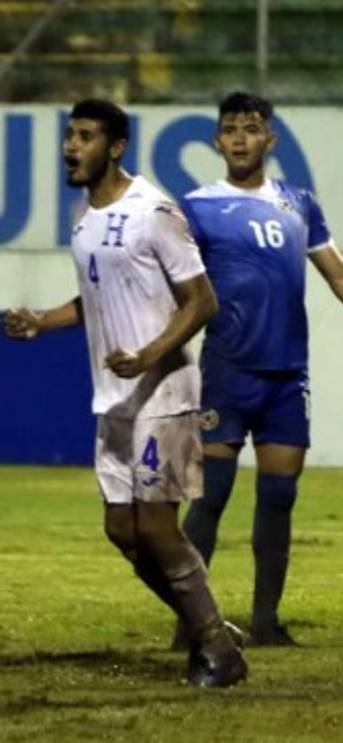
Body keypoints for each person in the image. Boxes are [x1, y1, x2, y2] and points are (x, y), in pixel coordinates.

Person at [3, 99, 246, 686]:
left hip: (162, 391)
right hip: (113, 397)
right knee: (122, 530)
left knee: (158, 527)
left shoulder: (153, 210)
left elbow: (202, 300)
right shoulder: (84, 219)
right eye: (69, 136)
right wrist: (42, 320)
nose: (70, 146)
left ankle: (218, 649)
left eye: (84, 136)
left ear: (114, 147)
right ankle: (208, 622)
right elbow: (97, 302)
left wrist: (148, 355)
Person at [177, 92, 343, 647]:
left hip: (286, 377)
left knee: (278, 499)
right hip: (226, 371)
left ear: (268, 140)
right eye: (229, 128)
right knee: (211, 498)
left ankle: (265, 622)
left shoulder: (299, 203)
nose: (238, 137)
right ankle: (189, 624)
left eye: (249, 128)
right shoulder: (196, 206)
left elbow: (340, 276)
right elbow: (176, 285)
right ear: (216, 141)